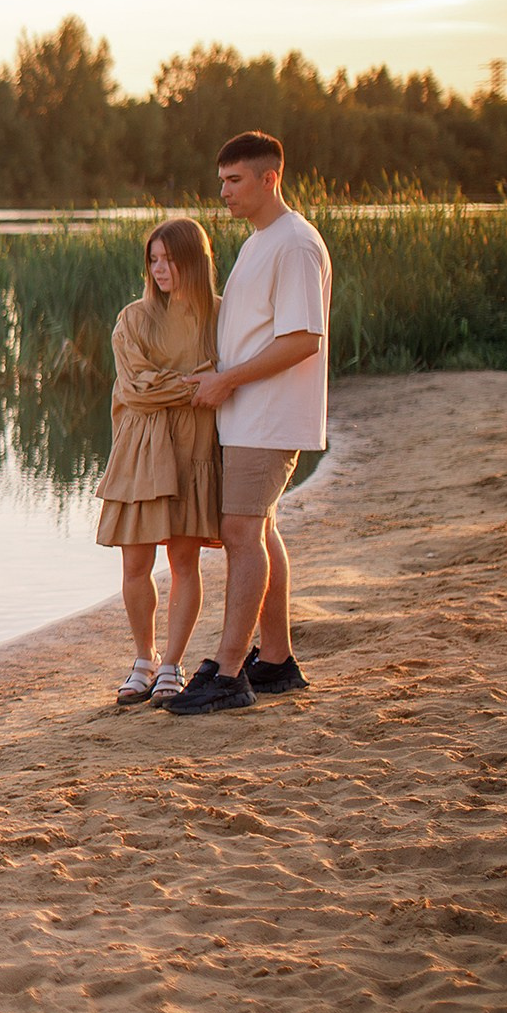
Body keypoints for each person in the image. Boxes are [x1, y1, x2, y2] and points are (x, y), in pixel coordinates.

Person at [168, 131, 331, 716]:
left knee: (240, 535)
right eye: (221, 180)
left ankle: (231, 671)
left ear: (270, 178)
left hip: (268, 418)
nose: (223, 192)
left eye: (234, 180)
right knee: (258, 531)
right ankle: (277, 660)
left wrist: (228, 382)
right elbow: (255, 334)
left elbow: (302, 341)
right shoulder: (259, 242)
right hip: (246, 415)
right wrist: (212, 374)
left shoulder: (294, 245)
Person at [94, 217, 221, 708]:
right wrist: (200, 382)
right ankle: (142, 660)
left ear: (194, 260)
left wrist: (207, 381)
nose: (160, 268)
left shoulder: (219, 316)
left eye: (170, 258)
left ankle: (172, 663)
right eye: (153, 259)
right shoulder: (133, 319)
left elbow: (228, 380)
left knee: (185, 560)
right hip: (140, 450)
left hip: (194, 449)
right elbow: (137, 389)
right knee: (135, 562)